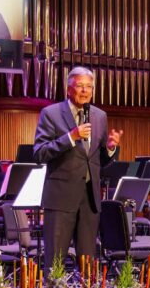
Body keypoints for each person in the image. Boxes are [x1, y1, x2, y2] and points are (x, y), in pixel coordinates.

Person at [33, 67, 123, 271]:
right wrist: (70, 137)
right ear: (68, 88)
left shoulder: (99, 116)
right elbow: (39, 153)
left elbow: (97, 161)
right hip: (60, 199)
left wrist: (110, 149)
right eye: (80, 86)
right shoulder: (51, 113)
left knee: (88, 262)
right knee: (55, 261)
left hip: (89, 200)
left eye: (89, 87)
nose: (85, 91)